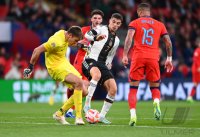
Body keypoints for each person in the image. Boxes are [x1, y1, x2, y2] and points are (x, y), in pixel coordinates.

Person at [122, 3, 173, 126]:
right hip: (153, 58)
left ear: (139, 12)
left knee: (133, 88)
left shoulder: (134, 23)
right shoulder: (160, 24)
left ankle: (133, 115)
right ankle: (156, 102)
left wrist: (124, 55)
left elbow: (129, 38)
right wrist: (169, 59)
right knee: (155, 87)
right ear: (149, 12)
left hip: (138, 57)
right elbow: (168, 42)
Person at [23, 26, 87, 125]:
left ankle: (59, 113)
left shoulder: (65, 34)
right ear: (70, 35)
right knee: (78, 83)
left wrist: (80, 44)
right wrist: (30, 67)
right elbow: (37, 50)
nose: (75, 43)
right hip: (55, 67)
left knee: (84, 91)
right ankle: (78, 118)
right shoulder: (56, 42)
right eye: (75, 41)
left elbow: (72, 39)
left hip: (63, 63)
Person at [82, 13, 123, 124]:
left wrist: (109, 64)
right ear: (109, 21)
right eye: (113, 22)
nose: (115, 25)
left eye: (118, 23)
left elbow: (110, 55)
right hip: (89, 60)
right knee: (97, 75)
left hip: (102, 64)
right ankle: (87, 105)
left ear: (120, 25)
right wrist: (96, 37)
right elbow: (87, 35)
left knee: (113, 89)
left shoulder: (117, 40)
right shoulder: (100, 29)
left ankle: (101, 116)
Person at [65, 9, 104, 118]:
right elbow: (76, 44)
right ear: (91, 19)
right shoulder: (84, 30)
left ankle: (70, 110)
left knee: (84, 86)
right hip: (80, 60)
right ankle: (68, 108)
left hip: (91, 62)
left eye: (99, 18)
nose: (97, 20)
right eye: (95, 18)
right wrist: (82, 45)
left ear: (102, 20)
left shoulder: (104, 32)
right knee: (72, 86)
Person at [187, 38, 200, 102]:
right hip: (197, 70)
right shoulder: (197, 50)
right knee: (195, 83)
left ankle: (190, 96)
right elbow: (195, 59)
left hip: (197, 69)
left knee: (196, 83)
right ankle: (189, 97)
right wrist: (198, 67)